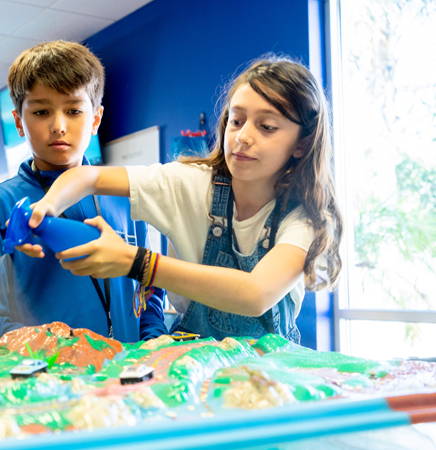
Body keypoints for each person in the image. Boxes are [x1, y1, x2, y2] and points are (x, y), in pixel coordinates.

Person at [22, 56, 343, 343]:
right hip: (190, 370)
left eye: (267, 126)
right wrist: (47, 206)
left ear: (302, 144)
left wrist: (137, 263)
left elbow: (256, 293)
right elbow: (90, 177)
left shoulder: (307, 216)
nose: (243, 136)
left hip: (267, 377)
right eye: (236, 120)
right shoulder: (190, 183)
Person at [0, 41, 167, 344]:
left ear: (95, 119)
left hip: (126, 378)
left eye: (74, 110)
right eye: (41, 111)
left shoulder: (126, 197)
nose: (58, 126)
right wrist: (51, 346)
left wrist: (152, 340)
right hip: (44, 382)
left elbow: (148, 290)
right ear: (18, 121)